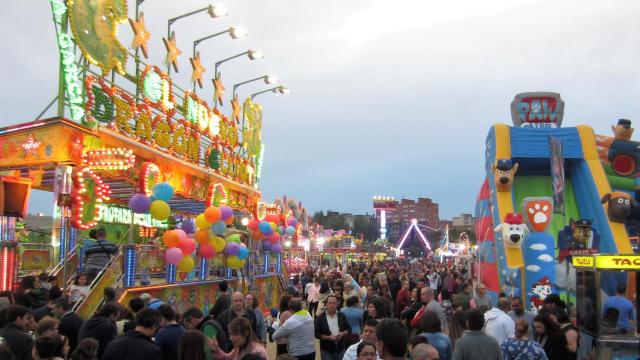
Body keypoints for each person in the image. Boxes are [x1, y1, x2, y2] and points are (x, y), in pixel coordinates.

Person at [315, 295, 352, 360]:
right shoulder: (320, 318)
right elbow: (316, 333)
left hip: (341, 349)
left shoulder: (342, 316)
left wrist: (342, 333)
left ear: (337, 304)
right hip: (326, 350)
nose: (332, 305)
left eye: (334, 303)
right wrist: (328, 337)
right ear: (326, 304)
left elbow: (349, 329)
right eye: (330, 303)